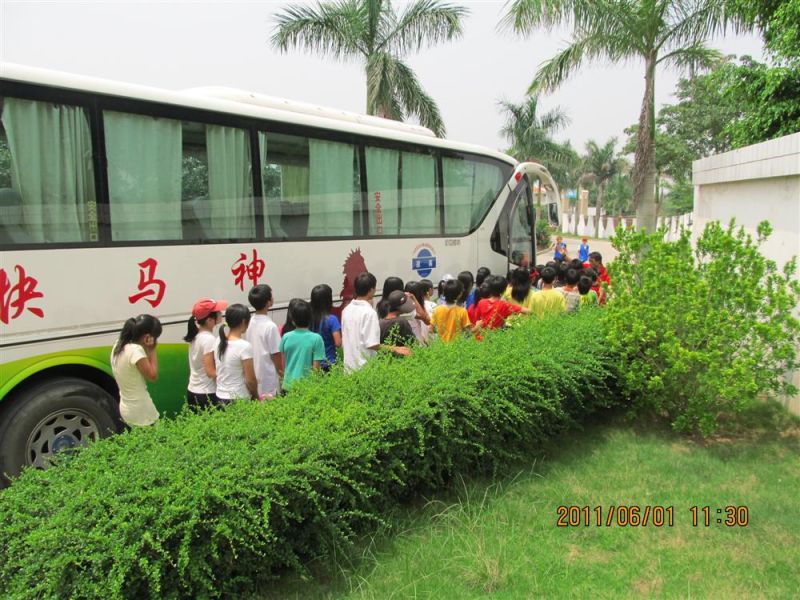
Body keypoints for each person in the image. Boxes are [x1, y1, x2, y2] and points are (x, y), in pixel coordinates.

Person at [342, 272, 411, 371]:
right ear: (371, 290)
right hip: (364, 368)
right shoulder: (369, 313)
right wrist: (396, 349)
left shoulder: (346, 310)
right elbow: (372, 344)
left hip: (349, 367)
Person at [111, 314, 162, 427]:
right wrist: (152, 349)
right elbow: (153, 376)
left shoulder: (118, 345)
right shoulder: (135, 351)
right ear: (147, 337)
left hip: (126, 408)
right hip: (141, 412)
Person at [184, 298, 227, 411]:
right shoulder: (208, 340)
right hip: (206, 394)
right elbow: (210, 372)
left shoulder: (196, 336)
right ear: (209, 320)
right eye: (217, 312)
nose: (220, 313)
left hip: (193, 390)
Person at [214, 303, 257, 402]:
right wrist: (256, 395)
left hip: (220, 396)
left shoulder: (218, 341)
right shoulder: (244, 346)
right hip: (239, 397)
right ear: (243, 322)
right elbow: (250, 380)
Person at [245, 284, 282, 399]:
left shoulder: (250, 321)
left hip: (253, 372)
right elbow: (276, 354)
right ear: (268, 302)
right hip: (268, 377)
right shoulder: (270, 326)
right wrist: (281, 373)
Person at [279, 299, 326, 389]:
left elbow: (283, 363)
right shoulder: (316, 338)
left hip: (287, 385)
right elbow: (316, 369)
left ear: (293, 320)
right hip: (307, 387)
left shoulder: (286, 337)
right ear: (310, 318)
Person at [310, 283, 342, 371]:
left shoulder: (309, 319)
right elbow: (338, 343)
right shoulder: (332, 319)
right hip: (329, 363)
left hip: (314, 363)